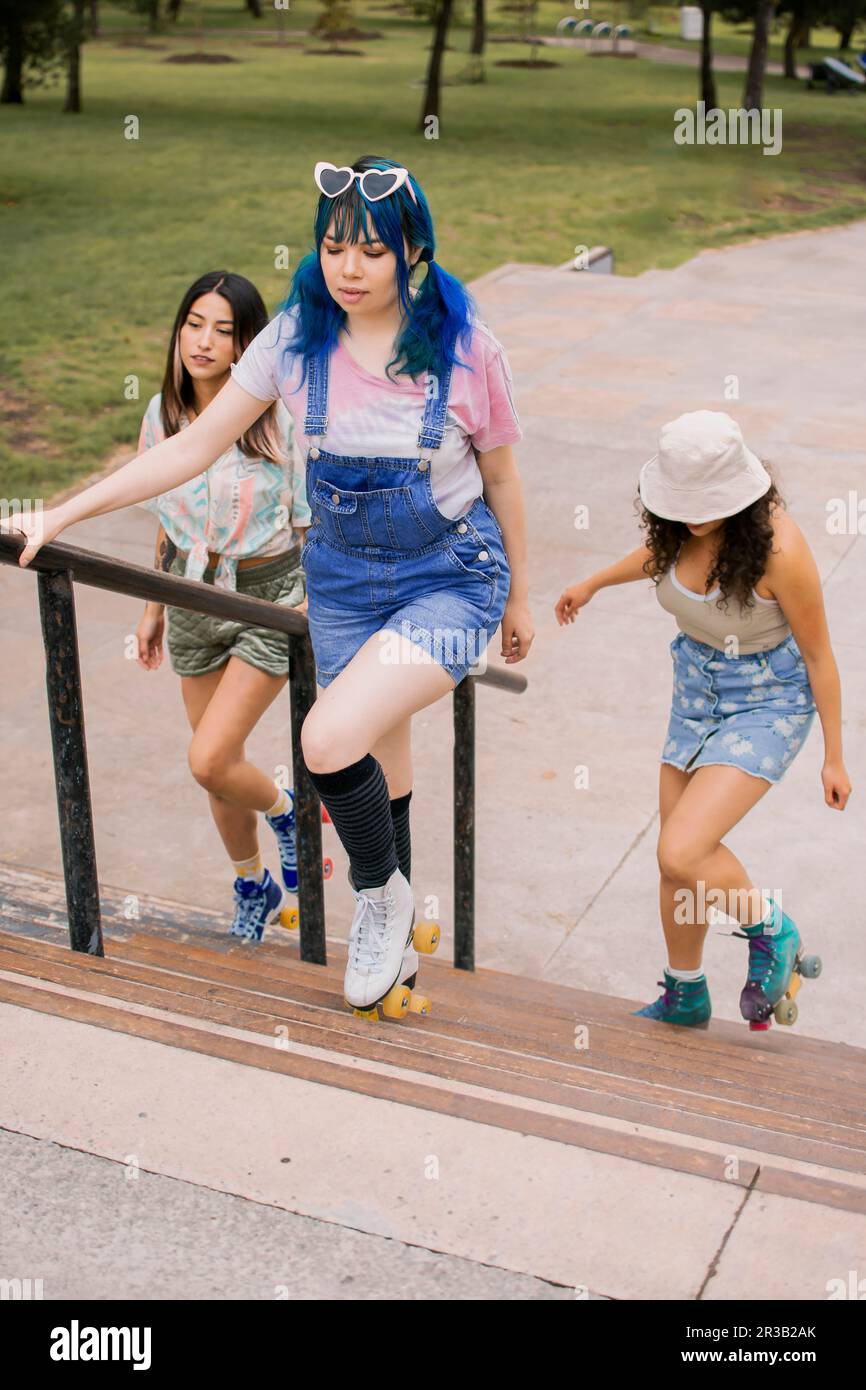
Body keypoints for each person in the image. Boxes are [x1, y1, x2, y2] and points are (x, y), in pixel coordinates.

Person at [4, 157, 534, 1021]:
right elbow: (187, 447)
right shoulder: (292, 339)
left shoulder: (469, 351)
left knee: (325, 740)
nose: (348, 269)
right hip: (344, 584)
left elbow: (504, 480)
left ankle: (377, 899)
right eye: (333, 248)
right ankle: (395, 949)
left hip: (452, 579)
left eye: (370, 251)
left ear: (413, 252)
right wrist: (60, 515)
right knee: (379, 759)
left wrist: (519, 598)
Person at [555, 411, 851, 1031]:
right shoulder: (678, 530)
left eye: (704, 502)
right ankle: (685, 992)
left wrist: (834, 754)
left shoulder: (781, 550)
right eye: (680, 501)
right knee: (676, 863)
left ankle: (772, 929)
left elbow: (821, 657)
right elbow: (655, 557)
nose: (691, 515)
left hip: (769, 701)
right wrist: (594, 583)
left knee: (684, 847)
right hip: (696, 695)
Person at [131, 270, 311, 941]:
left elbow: (307, 523)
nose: (203, 341)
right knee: (217, 771)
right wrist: (153, 608)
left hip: (269, 598)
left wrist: (316, 610)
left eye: (224, 330)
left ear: (244, 346)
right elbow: (167, 517)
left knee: (210, 757)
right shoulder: (162, 415)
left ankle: (287, 810)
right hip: (190, 596)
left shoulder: (276, 416)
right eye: (194, 324)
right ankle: (251, 884)